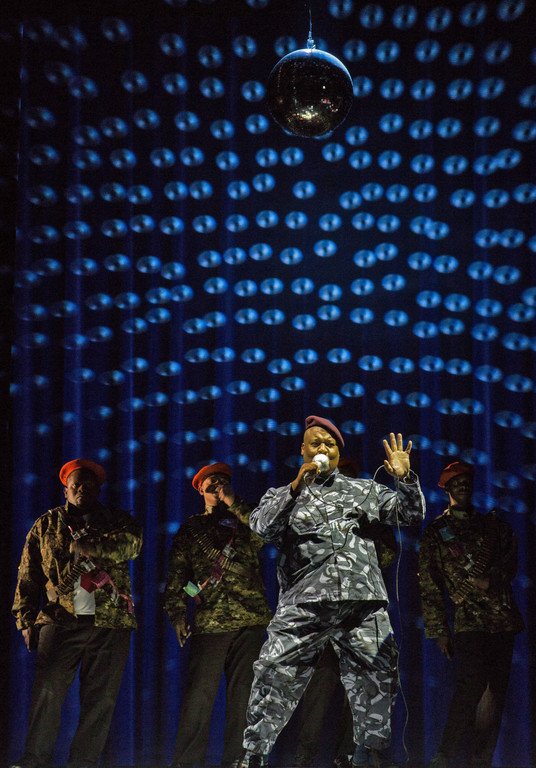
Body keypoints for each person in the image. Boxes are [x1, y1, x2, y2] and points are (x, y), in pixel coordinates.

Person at [239, 416, 425, 768]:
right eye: (316, 443)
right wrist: (296, 487)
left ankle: (367, 753)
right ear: (303, 450)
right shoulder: (281, 494)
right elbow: (262, 528)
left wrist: (405, 479)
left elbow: (411, 514)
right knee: (274, 671)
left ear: (339, 451)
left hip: (361, 603)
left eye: (330, 444)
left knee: (376, 672)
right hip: (304, 601)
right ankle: (254, 754)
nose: (323, 448)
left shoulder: (363, 490)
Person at [11, 458, 142, 768]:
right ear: (65, 488)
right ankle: (34, 760)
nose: (82, 488)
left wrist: (91, 548)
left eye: (88, 484)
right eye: (76, 483)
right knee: (48, 692)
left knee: (101, 699)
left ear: (98, 488)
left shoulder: (117, 520)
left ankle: (83, 762)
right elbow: (28, 575)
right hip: (61, 618)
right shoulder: (46, 524)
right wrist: (25, 620)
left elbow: (132, 546)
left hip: (109, 620)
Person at [164, 463, 271, 768]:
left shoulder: (245, 521)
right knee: (199, 696)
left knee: (244, 696)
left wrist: (233, 501)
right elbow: (177, 575)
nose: (217, 486)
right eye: (211, 483)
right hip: (211, 621)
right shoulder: (191, 529)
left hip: (250, 618)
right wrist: (178, 612)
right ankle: (187, 763)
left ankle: (238, 760)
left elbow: (265, 531)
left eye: (223, 481)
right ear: (200, 489)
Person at [293, 458, 398, 768]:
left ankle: (350, 755)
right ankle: (304, 756)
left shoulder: (368, 521)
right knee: (319, 689)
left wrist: (366, 530)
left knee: (361, 690)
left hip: (358, 618)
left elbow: (388, 556)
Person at [418, 461, 524, 768]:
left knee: (495, 693)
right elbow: (429, 585)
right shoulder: (436, 532)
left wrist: (491, 579)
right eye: (456, 483)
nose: (463, 486)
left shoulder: (494, 526)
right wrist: (438, 629)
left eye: (467, 482)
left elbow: (511, 562)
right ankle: (446, 754)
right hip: (468, 619)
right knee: (471, 684)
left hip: (501, 618)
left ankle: (482, 759)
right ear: (446, 489)